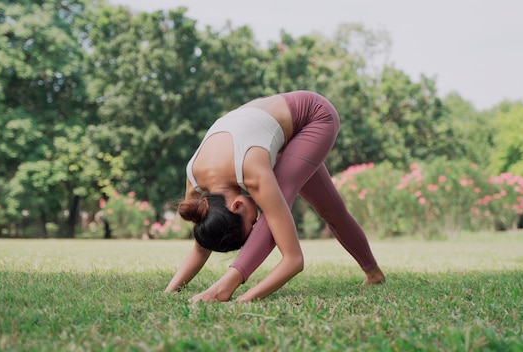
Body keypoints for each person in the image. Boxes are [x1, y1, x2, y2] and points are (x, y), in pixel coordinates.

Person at [165, 91, 385, 302]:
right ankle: (374, 275)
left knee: (280, 197)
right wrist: (170, 291)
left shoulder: (251, 172)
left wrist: (236, 295)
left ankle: (226, 284)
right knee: (330, 208)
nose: (257, 221)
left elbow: (293, 260)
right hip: (273, 124)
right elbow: (201, 245)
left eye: (252, 222)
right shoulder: (194, 177)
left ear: (237, 205)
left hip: (315, 115)